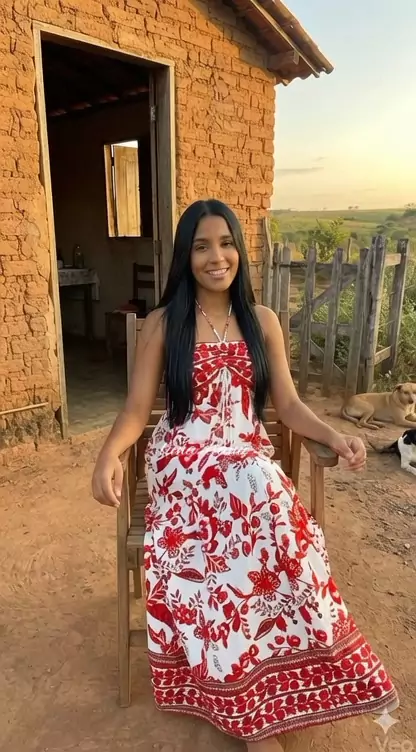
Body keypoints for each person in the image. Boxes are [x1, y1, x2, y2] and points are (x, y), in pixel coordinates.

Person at [92, 200, 398, 750]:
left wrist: (335, 436)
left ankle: (272, 680)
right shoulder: (163, 324)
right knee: (258, 487)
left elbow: (290, 404)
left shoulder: (263, 321)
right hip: (185, 460)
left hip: (247, 465)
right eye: (202, 246)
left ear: (240, 250)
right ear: (185, 256)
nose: (217, 257)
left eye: (227, 243)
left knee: (262, 499)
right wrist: (108, 455)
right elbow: (137, 411)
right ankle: (248, 707)